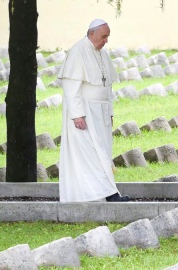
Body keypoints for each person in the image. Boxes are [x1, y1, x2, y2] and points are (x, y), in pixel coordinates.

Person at [57, 18, 130, 203]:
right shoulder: (77, 52)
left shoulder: (102, 54)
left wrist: (110, 111)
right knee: (91, 154)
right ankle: (107, 194)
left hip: (101, 112)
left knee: (102, 151)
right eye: (103, 37)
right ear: (91, 34)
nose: (106, 41)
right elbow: (71, 88)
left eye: (107, 37)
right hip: (85, 113)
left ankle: (107, 193)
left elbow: (108, 87)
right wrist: (77, 115)